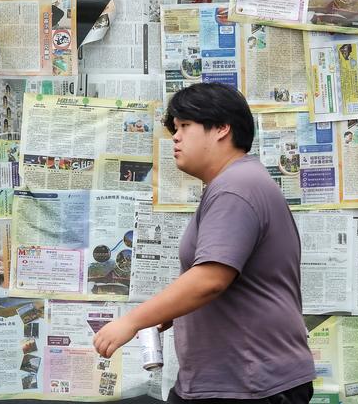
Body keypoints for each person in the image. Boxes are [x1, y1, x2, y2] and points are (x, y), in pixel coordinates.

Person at [93, 83, 315, 403]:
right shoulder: (236, 182)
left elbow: (210, 279)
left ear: (222, 128)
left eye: (185, 126)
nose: (176, 137)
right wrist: (171, 310)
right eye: (175, 128)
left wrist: (131, 321)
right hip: (230, 381)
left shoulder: (235, 187)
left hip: (250, 385)